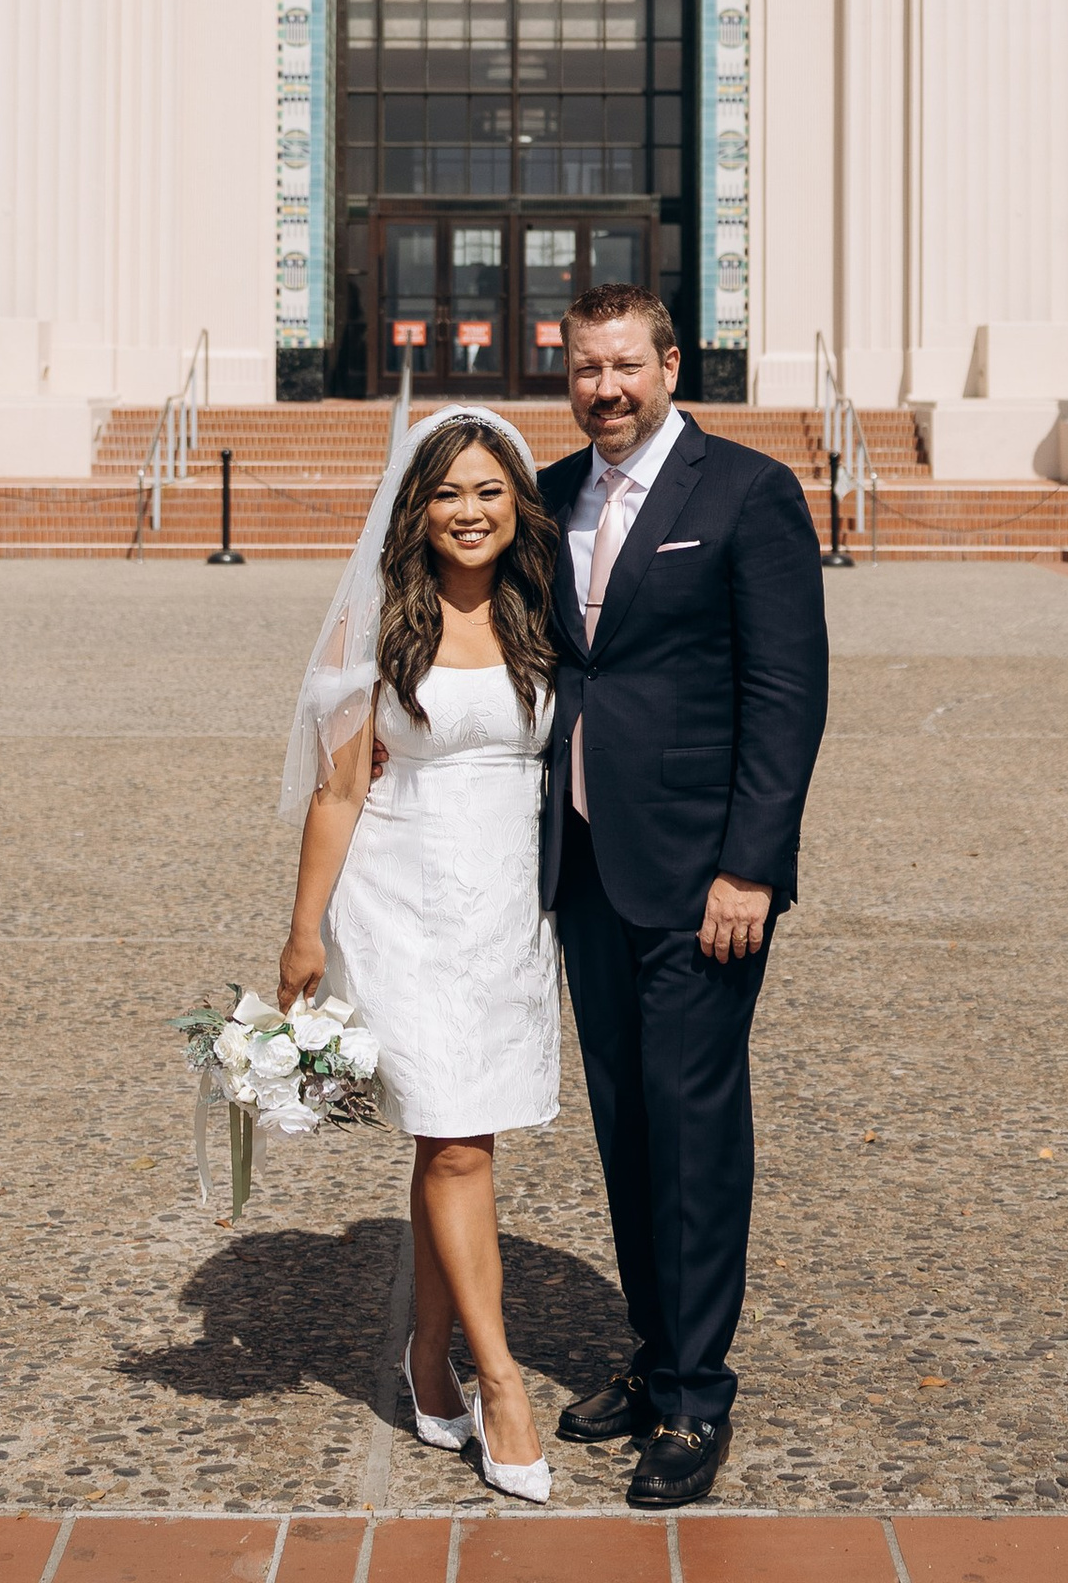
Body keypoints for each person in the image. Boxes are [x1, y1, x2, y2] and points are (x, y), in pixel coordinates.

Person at [538, 290, 830, 1511]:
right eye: (584, 369)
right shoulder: (550, 493)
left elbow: (787, 690)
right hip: (587, 865)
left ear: (669, 364)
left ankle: (699, 1394)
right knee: (624, 1117)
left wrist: (751, 865)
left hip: (705, 875)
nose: (605, 387)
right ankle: (655, 1361)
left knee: (695, 1126)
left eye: (625, 366)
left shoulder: (746, 493)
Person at [278, 406, 563, 1504]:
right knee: (453, 1143)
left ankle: (422, 1353)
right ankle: (501, 1384)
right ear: (417, 507)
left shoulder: (542, 616)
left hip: (505, 912)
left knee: (461, 1133)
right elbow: (339, 789)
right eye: (448, 492)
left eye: (488, 490)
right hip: (404, 903)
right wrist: (303, 932)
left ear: (515, 502)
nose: (469, 510)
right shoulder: (376, 630)